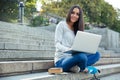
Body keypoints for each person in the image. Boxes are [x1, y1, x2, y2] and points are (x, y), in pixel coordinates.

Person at [54, 5, 100, 73]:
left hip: (74, 57)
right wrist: (68, 49)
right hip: (61, 61)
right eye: (73, 13)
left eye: (77, 14)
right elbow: (57, 44)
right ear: (69, 13)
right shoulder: (62, 25)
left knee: (96, 54)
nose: (74, 15)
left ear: (79, 17)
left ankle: (77, 67)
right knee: (82, 57)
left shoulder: (78, 30)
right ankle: (83, 68)